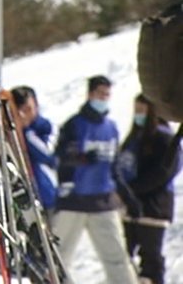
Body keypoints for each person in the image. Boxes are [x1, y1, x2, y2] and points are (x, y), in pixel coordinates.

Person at [52, 75, 138, 284]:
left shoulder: (112, 128)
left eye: (107, 95)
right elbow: (60, 157)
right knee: (58, 259)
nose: (104, 99)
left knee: (117, 258)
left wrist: (128, 196)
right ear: (90, 94)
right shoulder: (74, 124)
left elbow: (115, 167)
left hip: (103, 202)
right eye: (100, 94)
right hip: (74, 201)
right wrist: (81, 158)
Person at [116, 94, 181, 284]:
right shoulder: (133, 138)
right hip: (129, 209)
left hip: (153, 209)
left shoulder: (164, 138)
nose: (138, 115)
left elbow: (163, 172)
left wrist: (133, 190)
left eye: (142, 110)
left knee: (150, 261)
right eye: (136, 111)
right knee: (122, 257)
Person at [10, 86, 57, 218]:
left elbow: (48, 155)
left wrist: (25, 133)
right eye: (20, 111)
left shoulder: (45, 127)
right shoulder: (10, 133)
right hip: (23, 201)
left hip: (48, 197)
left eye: (28, 109)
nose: (24, 115)